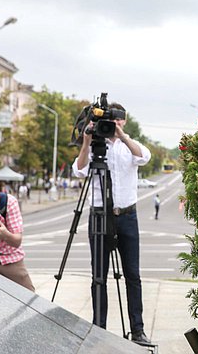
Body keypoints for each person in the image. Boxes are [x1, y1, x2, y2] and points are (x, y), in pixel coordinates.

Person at [72, 102, 152, 344]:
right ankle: (99, 329)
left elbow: (144, 157)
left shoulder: (129, 145)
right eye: (111, 120)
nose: (114, 123)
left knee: (133, 275)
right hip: (99, 215)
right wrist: (86, 139)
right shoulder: (96, 144)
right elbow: (79, 170)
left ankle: (137, 330)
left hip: (127, 216)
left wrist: (122, 135)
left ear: (124, 121)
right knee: (99, 276)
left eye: (119, 119)